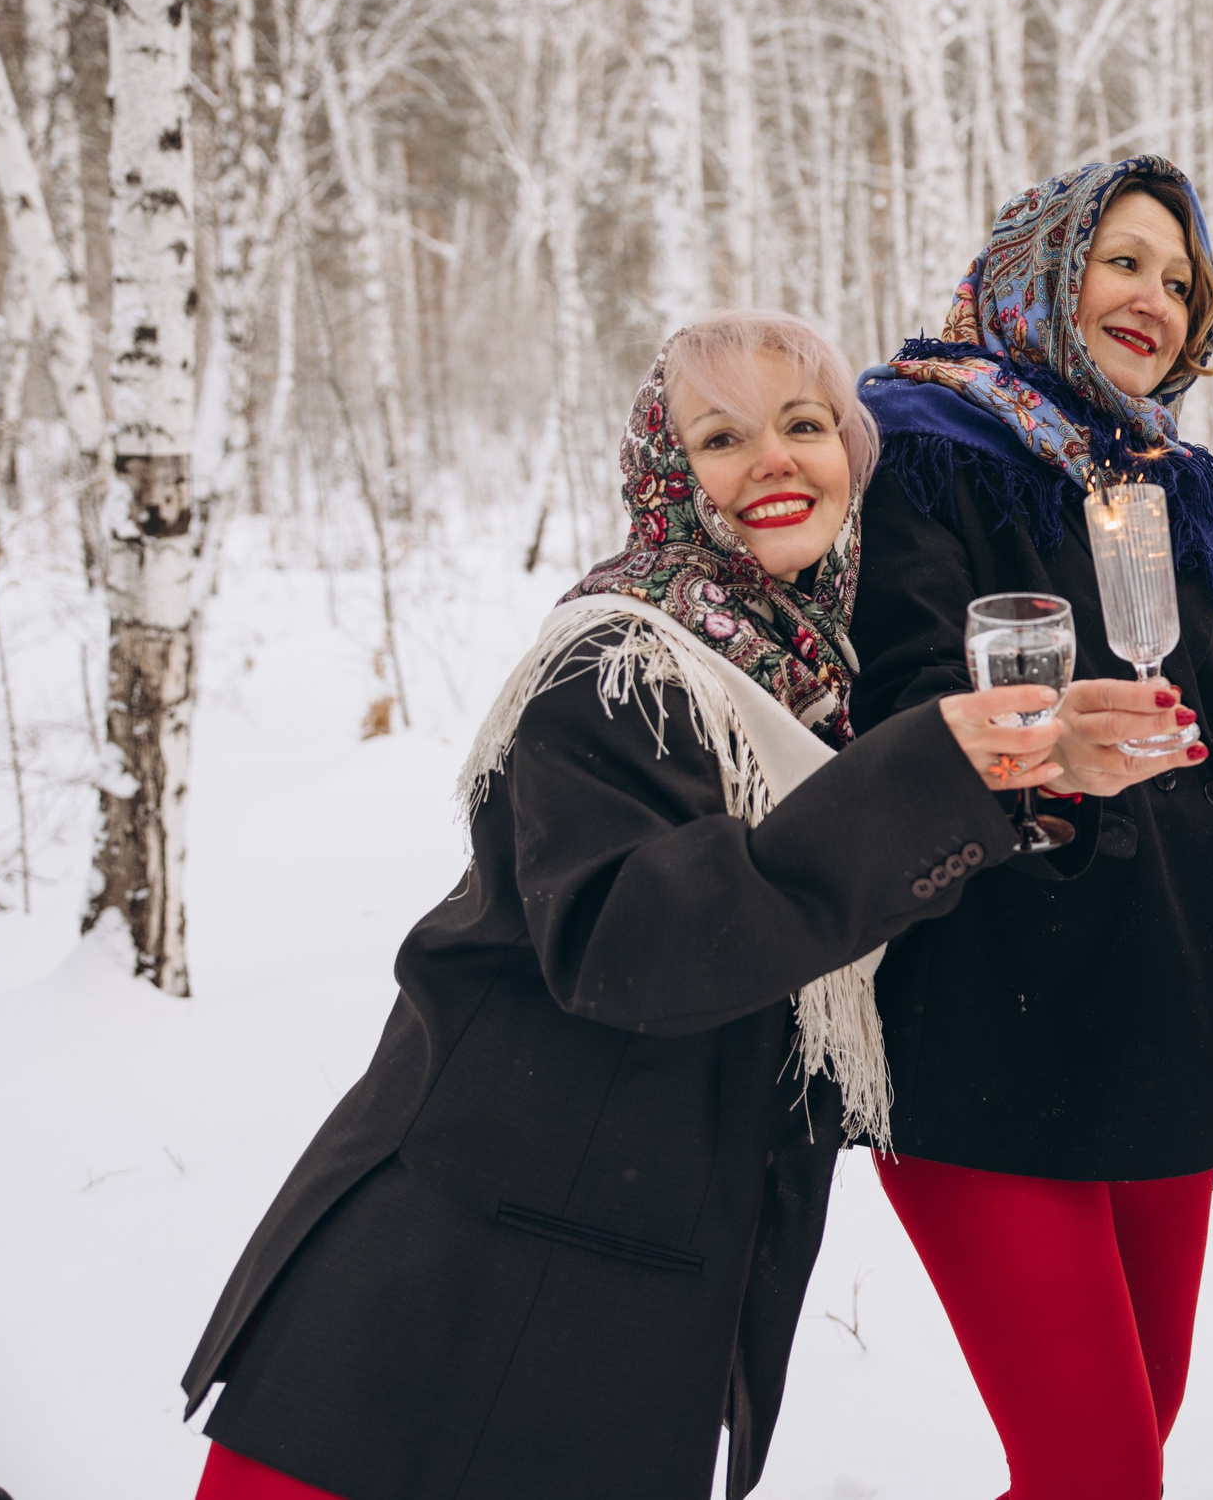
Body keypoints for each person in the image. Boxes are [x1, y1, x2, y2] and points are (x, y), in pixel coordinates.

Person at [179, 313, 1080, 1500]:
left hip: (627, 1285)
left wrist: (1031, 794)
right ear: (667, 472)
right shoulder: (621, 659)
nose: (774, 459)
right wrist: (933, 784)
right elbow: (636, 945)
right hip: (454, 1272)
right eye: (721, 436)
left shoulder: (805, 674)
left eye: (804, 424)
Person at [847, 156, 1213, 1500]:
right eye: (1124, 260)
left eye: (1181, 280)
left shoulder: (1157, 482)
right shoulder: (914, 447)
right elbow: (900, 706)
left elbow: (1191, 779)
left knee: (1136, 1428)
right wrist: (1036, 749)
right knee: (1097, 1464)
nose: (1156, 298)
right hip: (984, 1003)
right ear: (1041, 269)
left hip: (1161, 1000)